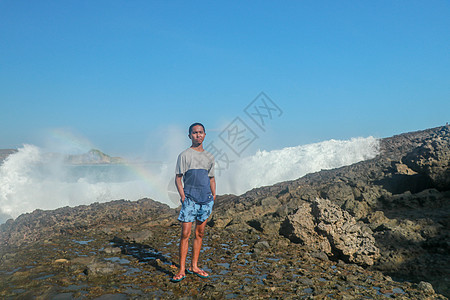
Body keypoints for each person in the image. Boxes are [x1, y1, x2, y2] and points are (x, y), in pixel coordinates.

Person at [171, 122, 216, 282]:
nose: (198, 135)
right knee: (185, 234)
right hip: (190, 200)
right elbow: (178, 178)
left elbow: (211, 178)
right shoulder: (184, 155)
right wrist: (183, 197)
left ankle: (194, 266)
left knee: (200, 233)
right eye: (195, 133)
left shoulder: (210, 156)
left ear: (205, 134)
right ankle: (182, 269)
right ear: (189, 135)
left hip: (206, 200)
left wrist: (214, 195)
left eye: (201, 132)